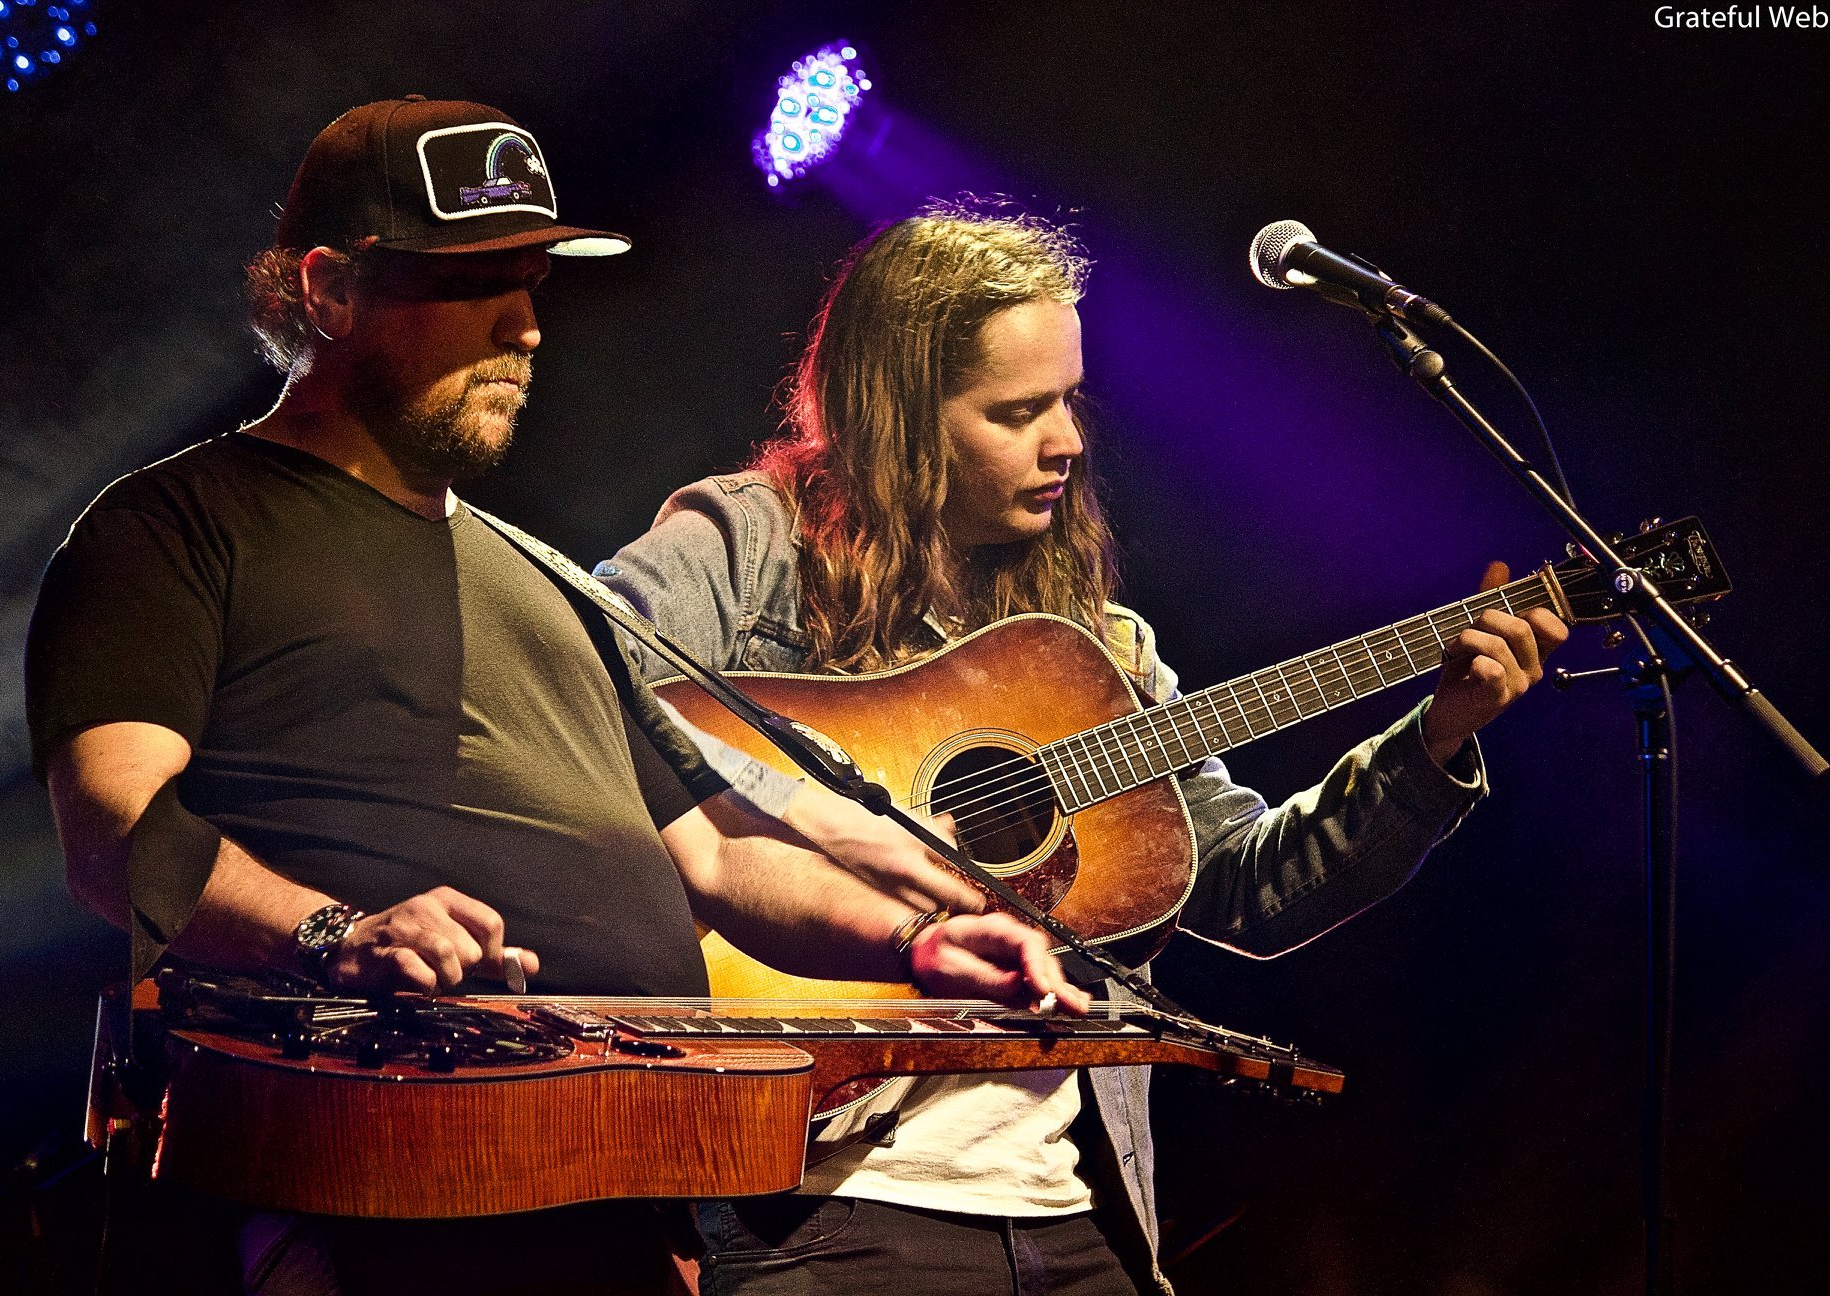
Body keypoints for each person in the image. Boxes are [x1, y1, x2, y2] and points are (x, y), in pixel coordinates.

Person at [24, 103, 1085, 1296]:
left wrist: (915, 941)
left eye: (531, 283)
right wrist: (335, 933)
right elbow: (113, 831)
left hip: (622, 1197)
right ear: (326, 291)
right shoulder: (172, 527)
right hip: (377, 1193)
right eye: (473, 282)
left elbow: (720, 862)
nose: (526, 325)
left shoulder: (554, 582)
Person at [595, 202, 1569, 1295]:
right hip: (824, 1208)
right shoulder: (746, 545)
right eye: (1018, 411)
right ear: (901, 416)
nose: (1066, 440)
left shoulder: (1096, 650)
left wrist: (1436, 740)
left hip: (1075, 1219)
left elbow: (1246, 890)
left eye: (1067, 399)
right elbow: (581, 701)